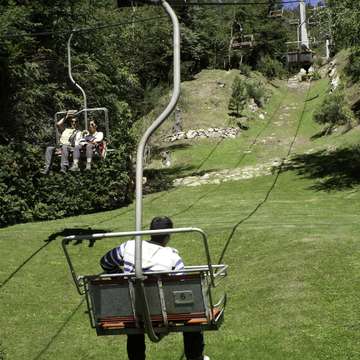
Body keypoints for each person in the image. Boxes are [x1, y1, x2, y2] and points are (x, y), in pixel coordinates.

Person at [100, 216, 209, 360]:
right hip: (163, 312)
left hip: (133, 310)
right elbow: (182, 286)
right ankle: (195, 357)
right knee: (192, 313)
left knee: (135, 323)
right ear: (169, 235)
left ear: (150, 232)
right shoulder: (172, 257)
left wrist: (121, 279)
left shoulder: (128, 246)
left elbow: (105, 262)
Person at [41, 110, 81, 174]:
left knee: (64, 146)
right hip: (61, 146)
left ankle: (64, 167)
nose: (73, 123)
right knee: (49, 148)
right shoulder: (66, 130)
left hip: (70, 147)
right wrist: (66, 116)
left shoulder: (78, 132)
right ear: (70, 122)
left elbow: (78, 142)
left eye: (75, 122)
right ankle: (47, 168)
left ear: (77, 123)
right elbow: (58, 124)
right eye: (72, 121)